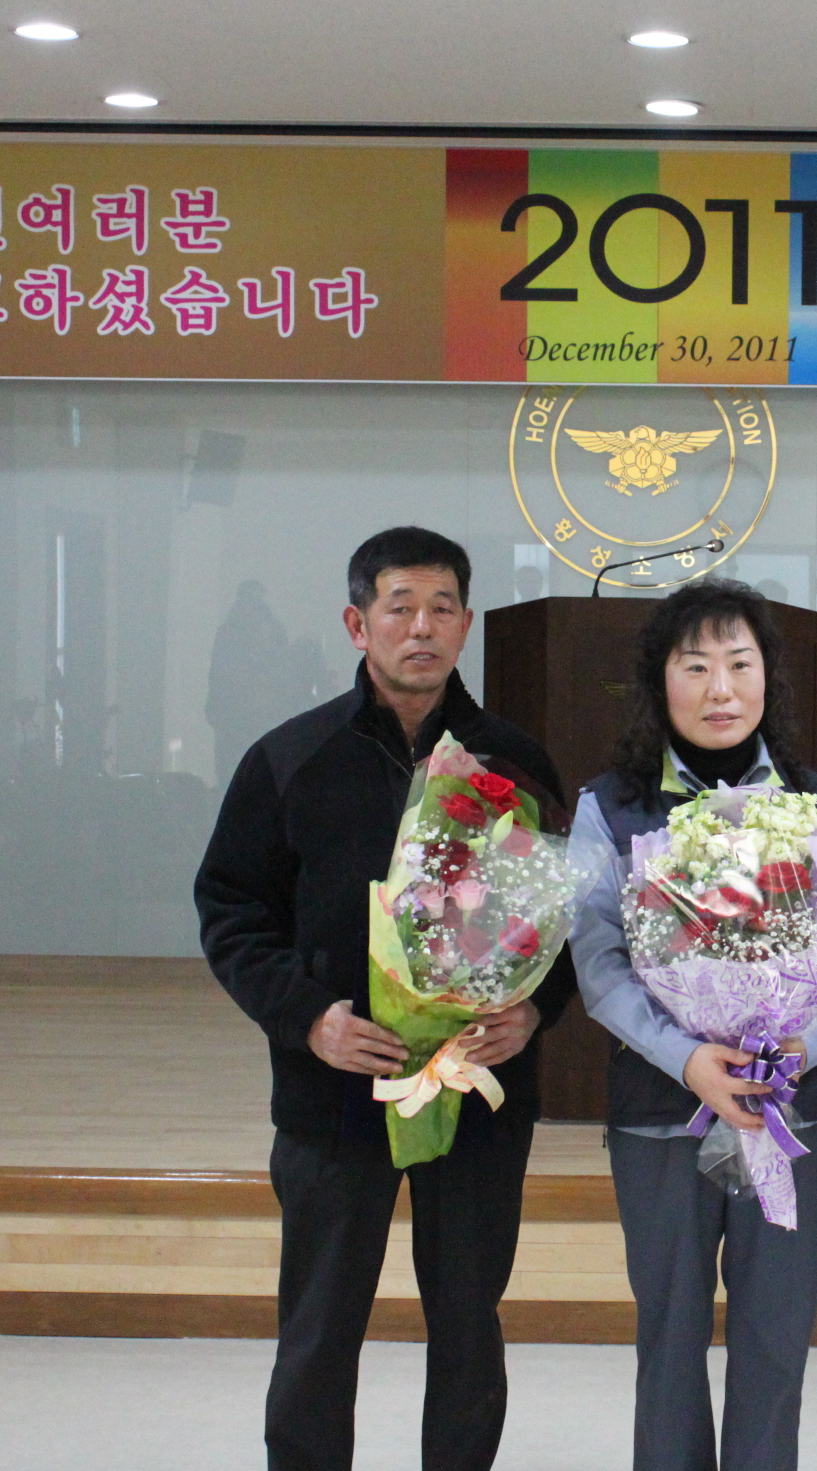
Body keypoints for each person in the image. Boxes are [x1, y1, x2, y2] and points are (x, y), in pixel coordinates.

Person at [195, 526, 576, 1471]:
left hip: (475, 1091)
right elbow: (232, 912)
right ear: (356, 623)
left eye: (443, 608)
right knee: (319, 1329)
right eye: (400, 607)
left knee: (468, 1324)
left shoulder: (516, 761)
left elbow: (567, 917)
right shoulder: (291, 758)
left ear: (467, 624)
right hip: (335, 1089)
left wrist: (534, 1011)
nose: (422, 628)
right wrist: (309, 1018)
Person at [567, 579, 817, 1471]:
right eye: (695, 666)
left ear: (768, 678)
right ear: (658, 680)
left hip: (792, 1106)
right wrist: (687, 1059)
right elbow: (599, 961)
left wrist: (805, 1044)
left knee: (776, 1340)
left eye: (739, 664)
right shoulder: (611, 805)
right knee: (668, 1338)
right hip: (662, 1112)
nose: (720, 689)